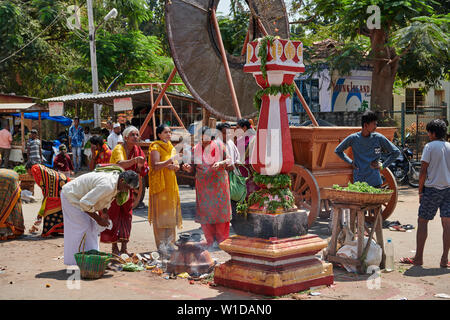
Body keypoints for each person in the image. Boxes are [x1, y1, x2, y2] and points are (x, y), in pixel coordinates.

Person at [61, 169, 139, 265]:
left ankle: (90, 259)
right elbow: (84, 203)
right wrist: (98, 219)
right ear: (122, 180)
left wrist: (105, 213)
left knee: (92, 228)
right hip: (71, 196)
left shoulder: (116, 184)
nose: (126, 190)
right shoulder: (108, 185)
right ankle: (76, 261)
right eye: (127, 187)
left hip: (81, 198)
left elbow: (105, 199)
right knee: (83, 228)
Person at [401, 119, 450, 268]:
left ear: (433, 133)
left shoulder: (429, 147)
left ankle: (418, 258)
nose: (428, 135)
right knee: (447, 224)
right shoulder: (449, 146)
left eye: (429, 132)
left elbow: (423, 171)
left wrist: (420, 190)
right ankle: (444, 259)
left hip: (431, 189)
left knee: (422, 221)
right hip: (448, 189)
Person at [100, 126, 148, 255]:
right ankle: (114, 246)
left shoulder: (138, 150)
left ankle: (124, 246)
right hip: (116, 187)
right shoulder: (119, 148)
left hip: (129, 188)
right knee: (114, 214)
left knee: (127, 216)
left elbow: (143, 169)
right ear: (126, 137)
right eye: (133, 134)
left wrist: (140, 166)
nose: (136, 137)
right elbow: (120, 164)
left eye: (137, 135)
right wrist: (135, 161)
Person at [182, 126, 232, 249]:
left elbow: (230, 161)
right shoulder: (195, 149)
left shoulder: (220, 146)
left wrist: (221, 163)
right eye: (203, 138)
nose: (205, 140)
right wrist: (188, 167)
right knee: (206, 212)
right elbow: (192, 167)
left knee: (220, 212)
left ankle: (221, 241)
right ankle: (210, 240)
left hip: (219, 186)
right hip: (203, 187)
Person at [334, 110, 400, 187]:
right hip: (359, 183)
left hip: (375, 182)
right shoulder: (353, 138)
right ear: (365, 125)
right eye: (374, 124)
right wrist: (351, 162)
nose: (376, 127)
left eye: (376, 124)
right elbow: (338, 151)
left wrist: (383, 166)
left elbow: (396, 152)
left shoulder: (378, 138)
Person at [148, 124, 183, 255]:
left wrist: (176, 166)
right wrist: (171, 161)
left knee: (170, 214)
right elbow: (156, 166)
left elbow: (176, 165)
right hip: (160, 187)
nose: (169, 134)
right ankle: (161, 245)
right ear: (159, 135)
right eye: (165, 132)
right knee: (161, 216)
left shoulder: (170, 146)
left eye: (170, 132)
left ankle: (170, 244)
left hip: (171, 185)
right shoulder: (155, 146)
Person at [26, 162, 69, 237]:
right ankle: (57, 229)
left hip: (55, 189)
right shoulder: (42, 167)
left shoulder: (34, 168)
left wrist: (45, 199)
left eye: (28, 171)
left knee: (49, 207)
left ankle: (51, 230)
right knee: (59, 208)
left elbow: (42, 185)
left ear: (29, 168)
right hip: (62, 183)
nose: (29, 174)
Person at [0, 169, 25, 240]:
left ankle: (3, 231)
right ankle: (7, 231)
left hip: (8, 181)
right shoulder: (14, 174)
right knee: (10, 206)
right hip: (12, 180)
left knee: (4, 206)